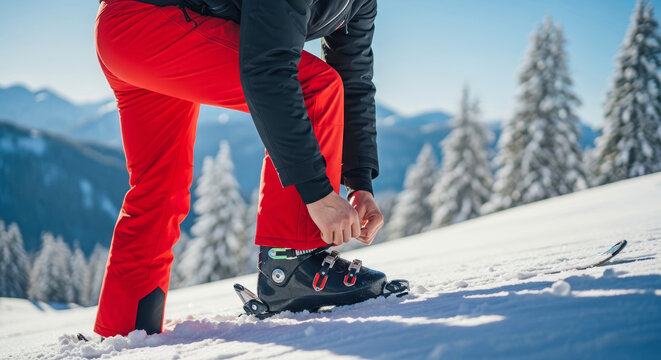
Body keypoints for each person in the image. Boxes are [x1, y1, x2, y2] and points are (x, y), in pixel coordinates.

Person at [93, 0, 404, 338]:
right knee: (313, 85)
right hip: (149, 21)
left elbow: (354, 78)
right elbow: (269, 70)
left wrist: (360, 184)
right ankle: (291, 264)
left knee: (159, 189)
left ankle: (122, 335)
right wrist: (318, 194)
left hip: (123, 31)